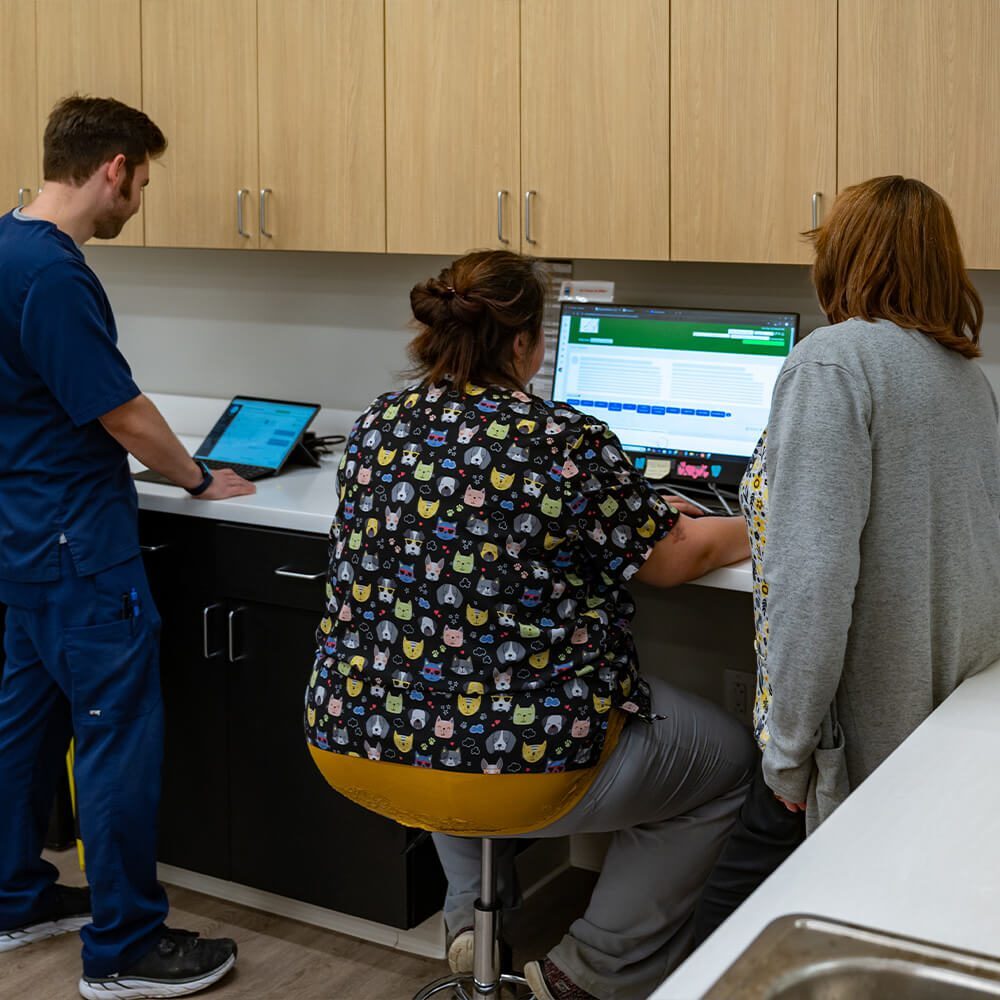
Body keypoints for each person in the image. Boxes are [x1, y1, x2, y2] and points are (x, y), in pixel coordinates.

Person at [304, 249, 756, 999]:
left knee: (444, 700)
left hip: (357, 739)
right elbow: (673, 562)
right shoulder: (564, 441)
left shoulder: (376, 423)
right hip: (522, 756)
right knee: (727, 764)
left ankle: (468, 927)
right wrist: (750, 520)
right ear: (522, 344)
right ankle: (589, 972)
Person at [694, 176, 1000, 941]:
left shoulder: (830, 364)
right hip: (935, 724)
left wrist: (789, 755)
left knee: (725, 947)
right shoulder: (966, 377)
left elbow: (813, 585)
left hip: (851, 740)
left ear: (842, 258)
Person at [0, 96, 254, 1000]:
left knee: (21, 727)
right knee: (114, 736)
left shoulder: (2, 244)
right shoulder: (53, 274)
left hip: (22, 533)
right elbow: (124, 413)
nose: (137, 202)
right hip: (80, 543)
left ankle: (14, 897)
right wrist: (196, 478)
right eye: (141, 182)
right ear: (113, 167)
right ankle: (124, 950)